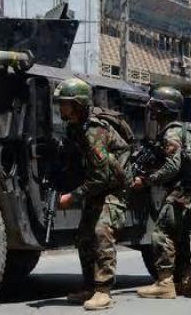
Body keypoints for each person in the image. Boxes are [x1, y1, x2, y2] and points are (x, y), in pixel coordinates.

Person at [54, 78, 130, 310]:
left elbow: (102, 177)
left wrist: (72, 196)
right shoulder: (75, 128)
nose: (61, 107)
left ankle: (103, 291)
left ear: (77, 104)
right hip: (98, 187)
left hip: (113, 188)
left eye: (65, 103)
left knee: (101, 232)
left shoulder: (94, 131)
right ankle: (89, 287)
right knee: (84, 237)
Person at [135, 87, 191, 299]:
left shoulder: (172, 133)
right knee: (180, 237)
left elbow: (173, 165)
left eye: (155, 106)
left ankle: (165, 283)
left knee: (161, 233)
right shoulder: (184, 129)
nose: (151, 110)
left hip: (179, 192)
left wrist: (149, 179)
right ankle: (187, 282)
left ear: (164, 108)